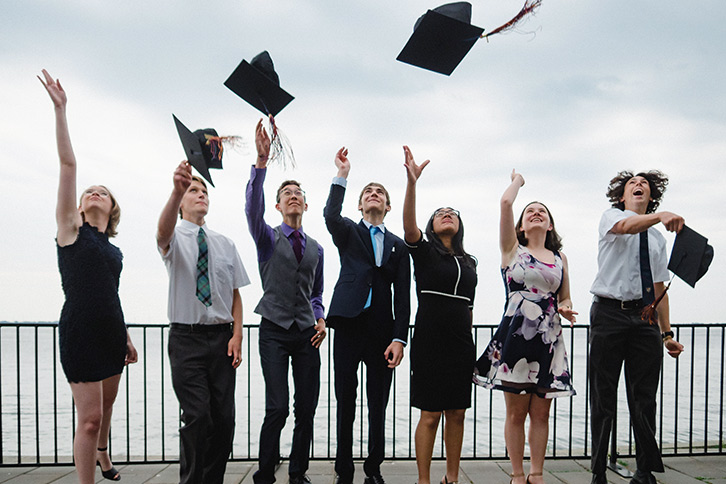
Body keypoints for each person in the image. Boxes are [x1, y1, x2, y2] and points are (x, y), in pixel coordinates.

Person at [40, 68, 138, 484]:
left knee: (109, 407)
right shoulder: (70, 231)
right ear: (79, 206)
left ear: (112, 206)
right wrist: (61, 109)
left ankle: (103, 455)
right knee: (91, 418)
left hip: (112, 332)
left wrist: (128, 334)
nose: (94, 191)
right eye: (88, 191)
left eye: (103, 190)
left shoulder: (113, 249)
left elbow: (110, 293)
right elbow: (68, 163)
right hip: (80, 330)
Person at [474, 170, 577, 484]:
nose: (536, 213)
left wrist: (566, 307)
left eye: (542, 212)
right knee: (517, 412)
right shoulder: (512, 251)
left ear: (549, 225)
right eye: (530, 211)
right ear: (521, 225)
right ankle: (518, 474)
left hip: (548, 337)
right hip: (517, 335)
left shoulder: (560, 258)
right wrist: (518, 180)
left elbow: (566, 296)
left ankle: (537, 472)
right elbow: (506, 202)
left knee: (542, 413)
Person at [157, 160, 250, 484]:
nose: (200, 194)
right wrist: (176, 190)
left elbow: (236, 295)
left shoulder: (225, 244)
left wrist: (237, 336)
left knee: (224, 420)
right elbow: (162, 232)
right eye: (193, 190)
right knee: (197, 417)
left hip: (222, 339)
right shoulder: (174, 237)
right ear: (182, 201)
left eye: (203, 191)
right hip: (187, 340)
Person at [589, 170, 685, 484]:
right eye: (633, 183)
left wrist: (667, 333)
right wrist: (661, 215)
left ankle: (644, 473)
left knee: (645, 397)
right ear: (622, 196)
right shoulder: (611, 217)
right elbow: (627, 226)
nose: (639, 185)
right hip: (609, 314)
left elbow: (659, 289)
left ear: (651, 195)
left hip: (644, 319)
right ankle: (599, 473)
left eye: (644, 183)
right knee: (604, 397)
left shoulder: (657, 238)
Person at [246, 118, 327, 484]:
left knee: (305, 409)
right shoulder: (267, 238)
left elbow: (316, 293)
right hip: (274, 331)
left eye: (298, 193)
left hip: (307, 334)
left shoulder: (318, 249)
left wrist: (320, 318)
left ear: (306, 206)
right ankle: (265, 474)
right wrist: (261, 164)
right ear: (278, 206)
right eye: (287, 193)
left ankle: (298, 474)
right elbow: (251, 209)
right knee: (277, 407)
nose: (293, 195)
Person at [324, 147, 411, 484]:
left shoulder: (398, 246)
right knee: (345, 400)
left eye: (380, 193)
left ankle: (373, 468)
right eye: (368, 193)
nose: (374, 195)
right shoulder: (347, 231)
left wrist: (399, 338)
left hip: (381, 332)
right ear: (360, 205)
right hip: (348, 325)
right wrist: (342, 176)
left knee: (378, 403)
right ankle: (343, 468)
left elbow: (403, 296)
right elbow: (330, 215)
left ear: (387, 206)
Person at [401, 146, 477, 484]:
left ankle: (452, 478)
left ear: (459, 225)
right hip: (430, 340)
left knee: (457, 413)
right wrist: (412, 183)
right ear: (432, 225)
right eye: (440, 212)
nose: (447, 214)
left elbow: (470, 307)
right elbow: (408, 226)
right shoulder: (425, 251)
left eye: (453, 212)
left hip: (461, 343)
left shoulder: (470, 262)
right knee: (430, 414)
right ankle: (424, 480)